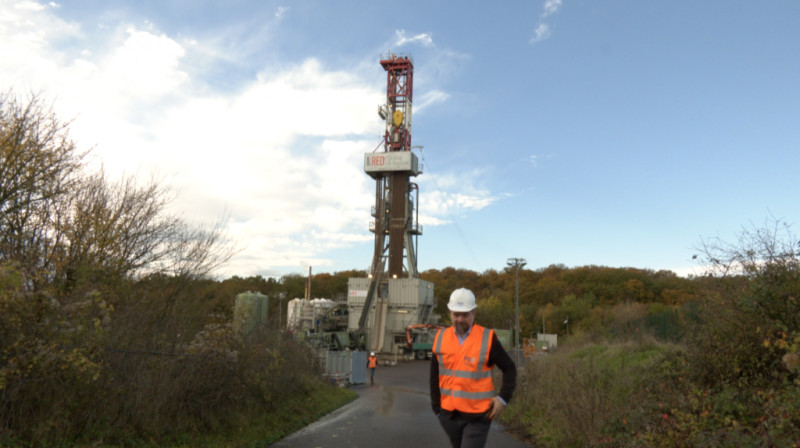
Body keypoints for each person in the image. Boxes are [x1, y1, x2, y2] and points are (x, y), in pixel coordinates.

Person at [430, 288, 517, 448]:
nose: (460, 319)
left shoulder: (487, 338)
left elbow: (509, 368)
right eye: (456, 314)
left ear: (474, 313)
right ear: (450, 313)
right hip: (449, 416)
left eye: (465, 315)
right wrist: (437, 409)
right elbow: (434, 375)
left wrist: (503, 398)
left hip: (478, 416)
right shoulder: (441, 337)